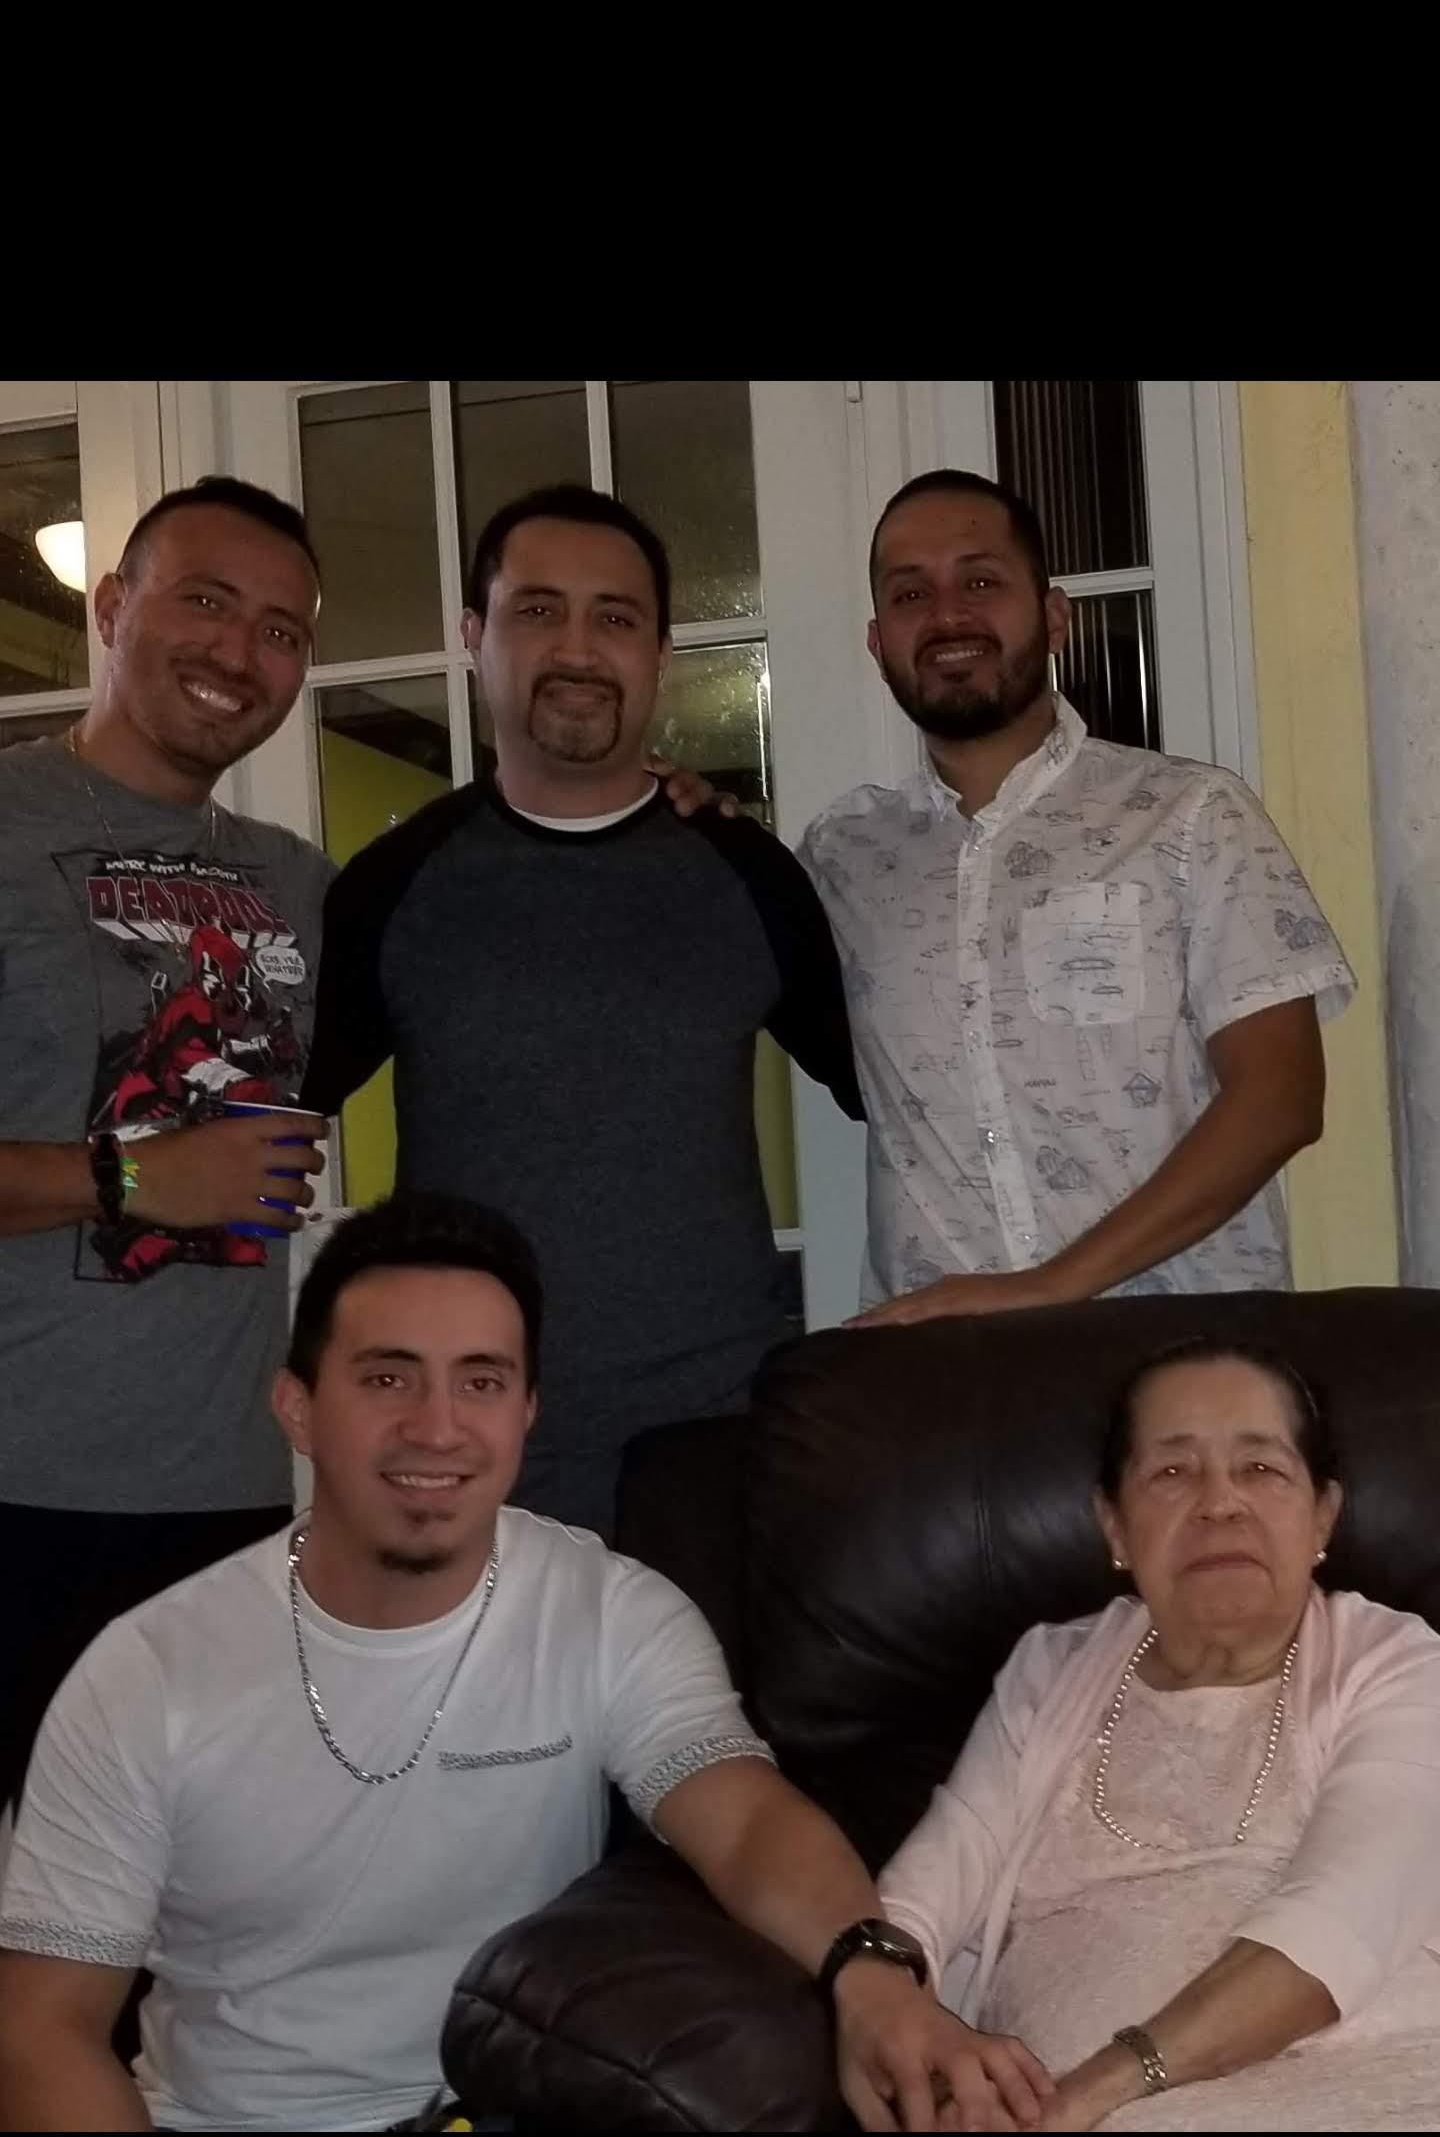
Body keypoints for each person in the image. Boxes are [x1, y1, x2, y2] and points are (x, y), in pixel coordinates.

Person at [0, 1192, 1026, 2134]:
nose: (437, 1425)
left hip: (512, 2106)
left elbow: (746, 1815)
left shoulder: (606, 1609)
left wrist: (876, 1975)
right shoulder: (147, 1672)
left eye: (480, 1381)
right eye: (387, 1376)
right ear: (299, 1406)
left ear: (527, 1414)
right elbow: (43, 2027)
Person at [302, 482, 864, 1541]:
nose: (577, 645)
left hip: (713, 1451)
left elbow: (900, 1095)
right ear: (474, 637)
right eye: (537, 609)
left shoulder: (749, 873)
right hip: (463, 1454)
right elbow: (267, 1133)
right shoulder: (391, 888)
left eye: (616, 617)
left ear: (659, 653)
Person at [670, 467, 1356, 1322]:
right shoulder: (840, 856)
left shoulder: (1191, 816)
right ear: (879, 641)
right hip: (947, 1385)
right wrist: (696, 827)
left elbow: (1281, 1099)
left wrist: (1043, 1290)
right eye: (911, 592)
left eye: (981, 581)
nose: (948, 614)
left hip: (1181, 1365)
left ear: (1055, 615)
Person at [0, 475, 332, 1826]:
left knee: (182, 1937)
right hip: (25, 1490)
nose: (237, 653)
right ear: (110, 607)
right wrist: (132, 1177)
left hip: (235, 1500)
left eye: (281, 630)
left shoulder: (297, 877)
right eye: (203, 600)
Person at [878, 1338, 1440, 2131]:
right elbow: (922, 1898)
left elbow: (1342, 1919)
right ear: (1114, 1525)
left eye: (1262, 1469)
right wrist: (890, 2007)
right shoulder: (1050, 1671)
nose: (1219, 1503)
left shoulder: (1398, 1661)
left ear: (1323, 1516)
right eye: (1172, 1473)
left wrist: (1090, 2094)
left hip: (1383, 2089)